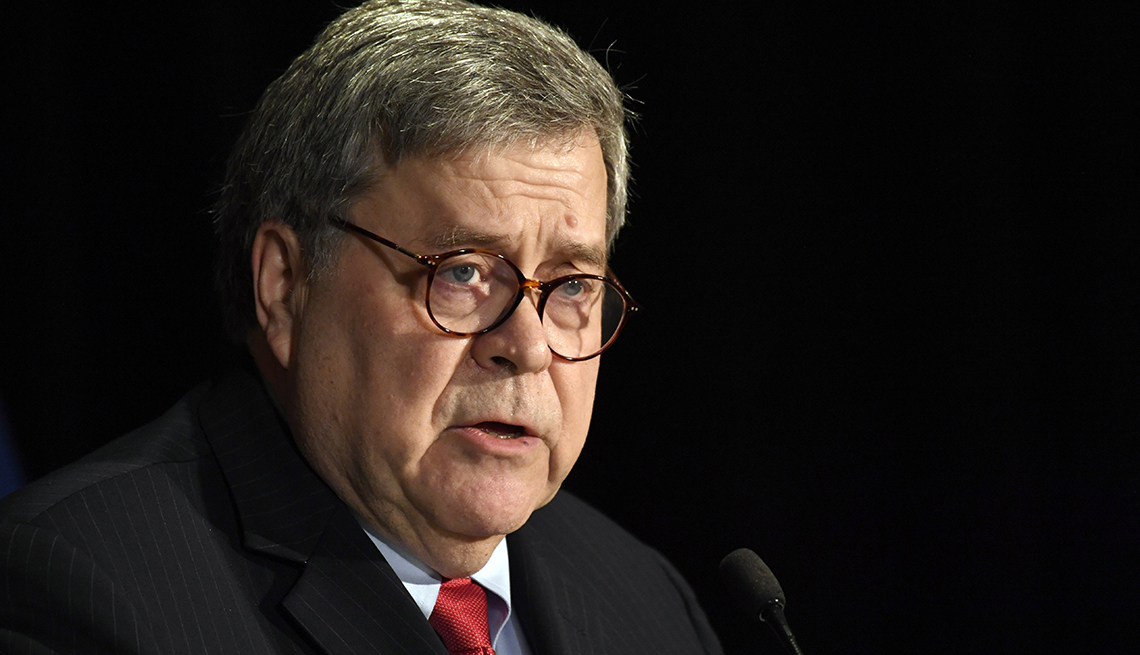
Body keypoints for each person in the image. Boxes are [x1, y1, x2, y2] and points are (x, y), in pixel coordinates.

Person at [0, 1, 723, 653]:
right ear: (284, 285)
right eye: (463, 271)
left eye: (569, 284)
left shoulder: (649, 603)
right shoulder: (77, 589)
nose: (528, 346)